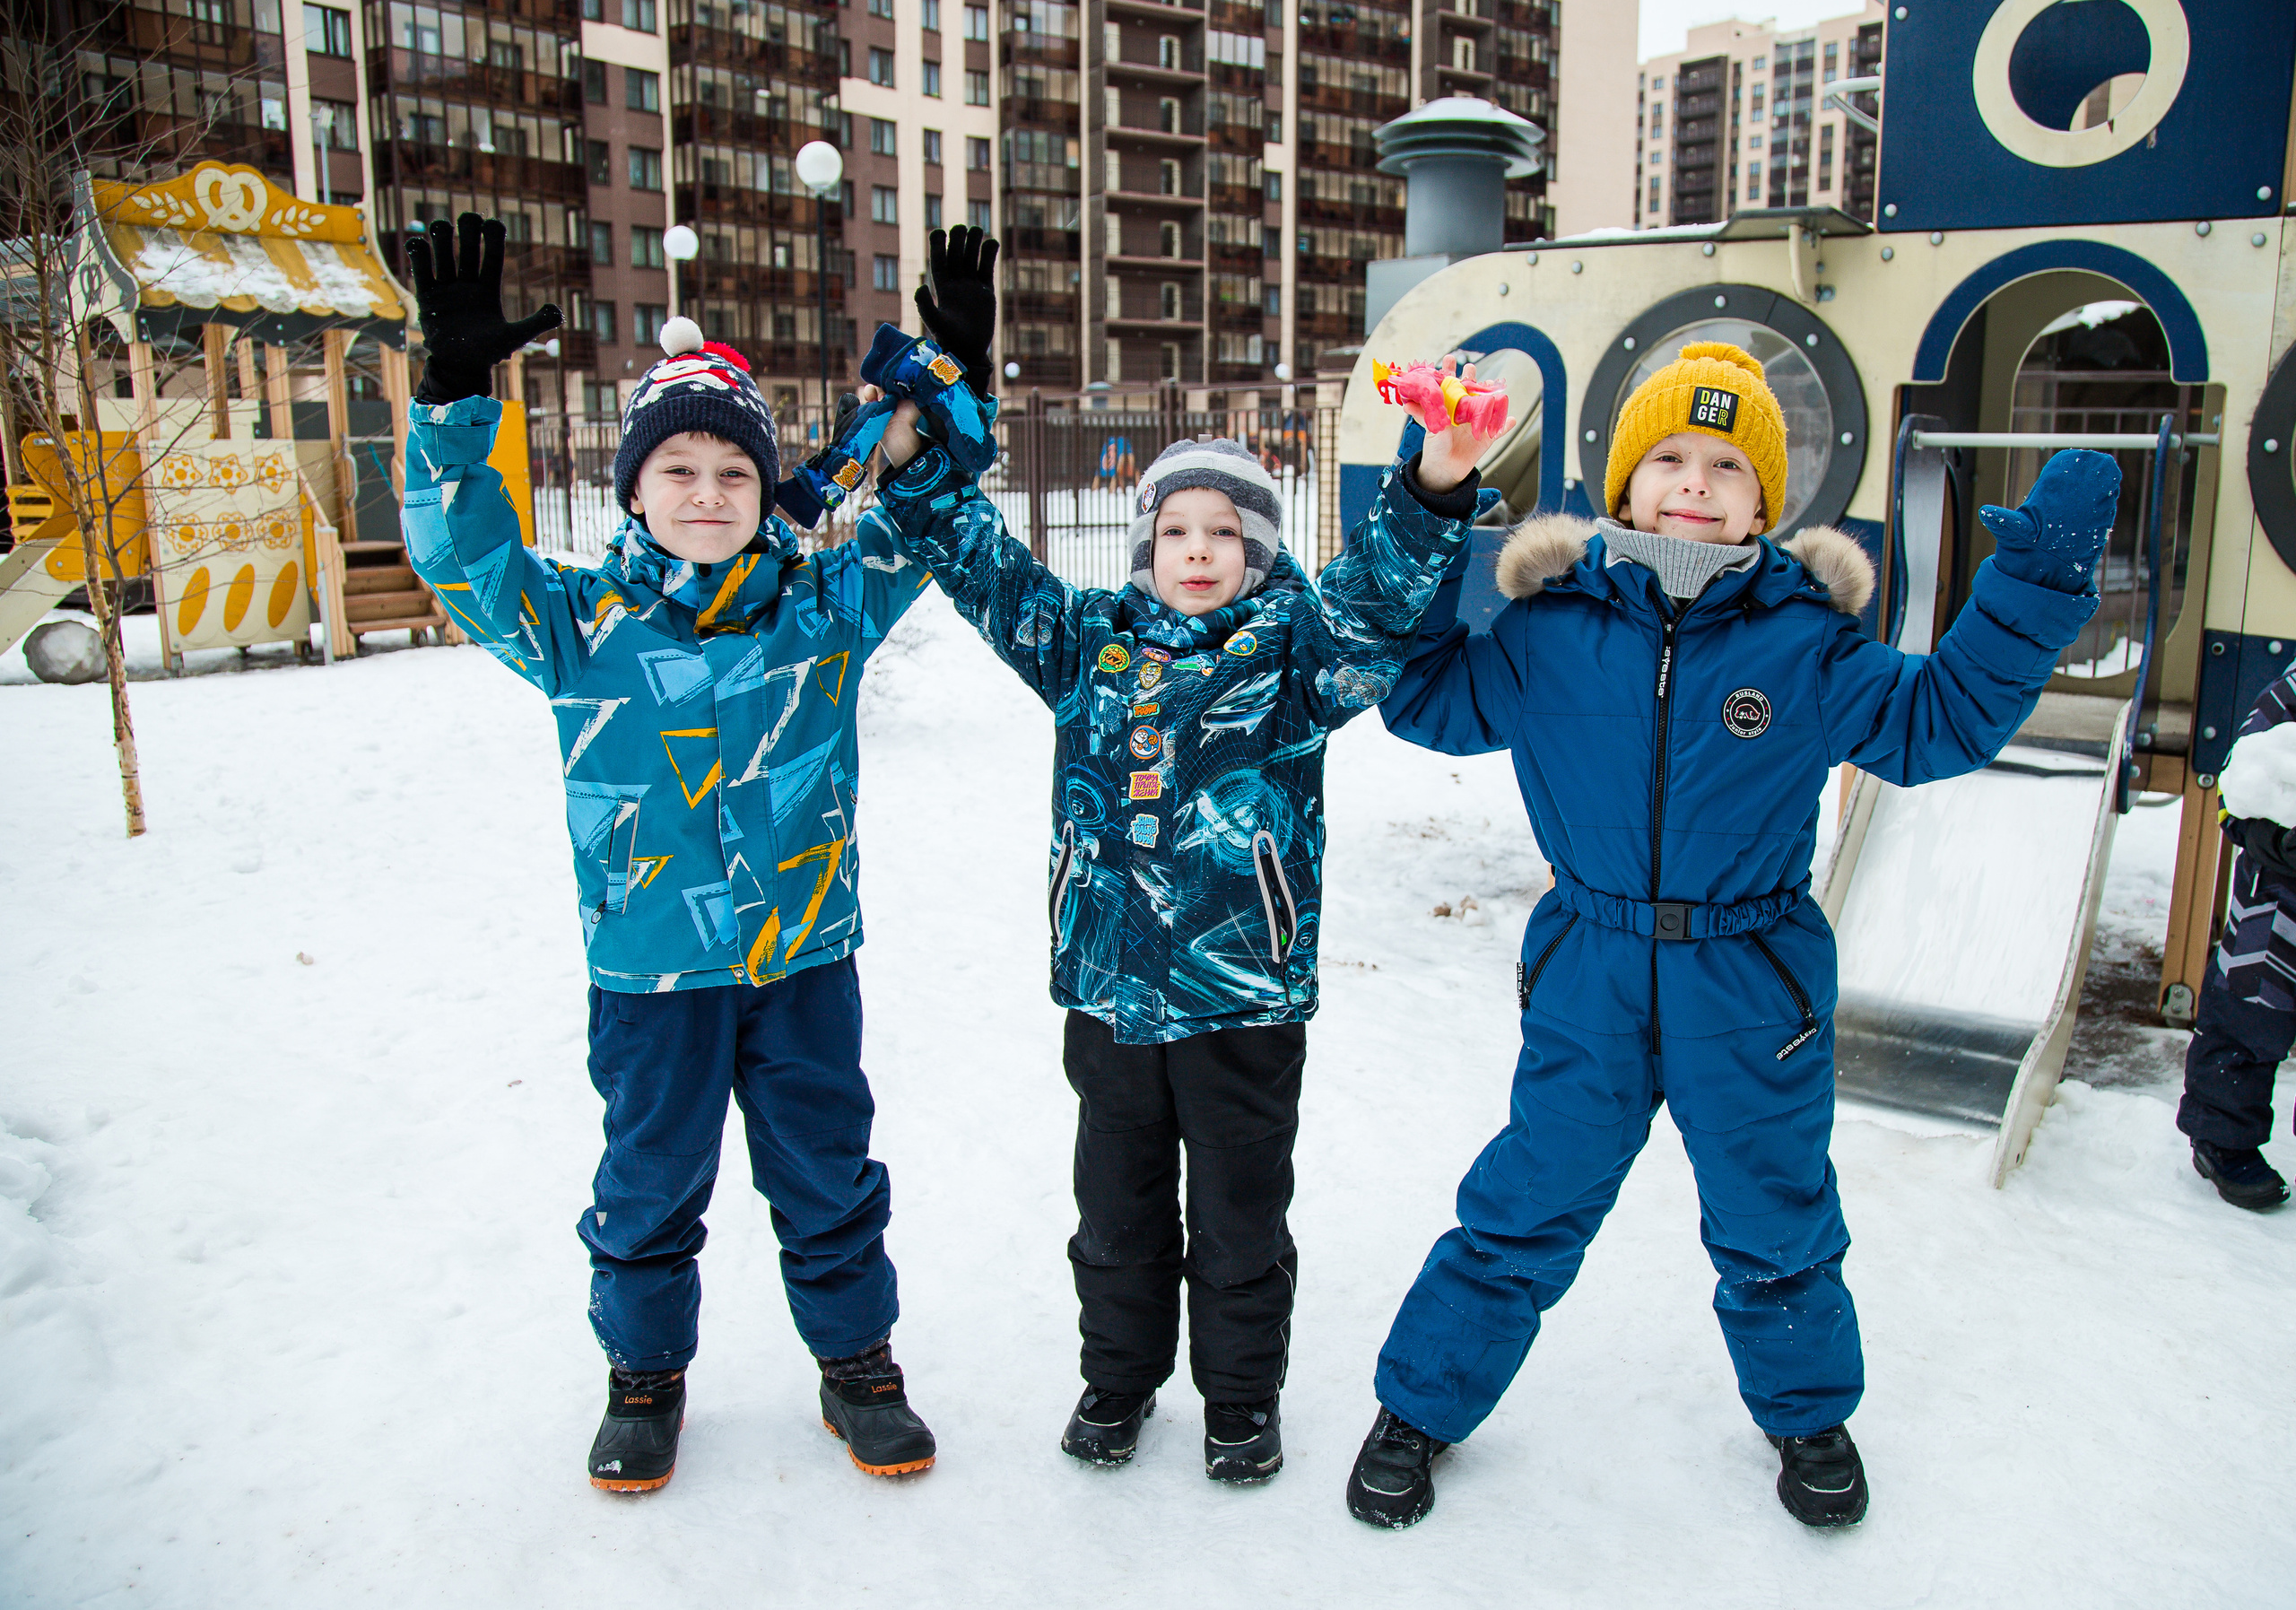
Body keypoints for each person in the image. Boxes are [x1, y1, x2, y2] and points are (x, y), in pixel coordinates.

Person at [1342, 342, 2120, 1531]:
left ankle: (1807, 1412)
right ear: (1622, 485)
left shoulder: (1804, 643)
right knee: (1526, 1200)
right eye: (1667, 457)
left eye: (1726, 465)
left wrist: (2032, 595)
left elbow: (1940, 724)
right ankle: (1421, 1404)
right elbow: (1422, 695)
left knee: (1775, 1211)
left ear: (1768, 501)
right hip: (1590, 970)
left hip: (1753, 985)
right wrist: (1436, 500)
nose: (1694, 483)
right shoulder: (1551, 627)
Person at [863, 230, 1500, 1484]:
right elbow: (982, 567)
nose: (1199, 550)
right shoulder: (1088, 646)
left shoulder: (1296, 664)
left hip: (1242, 1001)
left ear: (1260, 554)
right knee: (1116, 1214)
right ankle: (1117, 1382)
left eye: (1227, 532)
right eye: (1176, 531)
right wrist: (936, 432)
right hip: (1108, 996)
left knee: (1243, 1218)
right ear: (1144, 547)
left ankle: (1241, 1399)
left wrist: (1434, 486)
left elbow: (1373, 603)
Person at [397, 213, 943, 1494]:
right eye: (680, 469)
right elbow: (458, 557)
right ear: (634, 486)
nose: (708, 493)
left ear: (764, 493)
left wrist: (947, 380)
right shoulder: (576, 622)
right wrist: (452, 397)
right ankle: (644, 1375)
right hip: (649, 971)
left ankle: (857, 1361)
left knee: (828, 1169)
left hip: (803, 956)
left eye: (735, 474)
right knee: (649, 1181)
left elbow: (918, 510)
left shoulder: (824, 604)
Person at [2176, 670, 2296, 1210]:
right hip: (2283, 891)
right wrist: (2265, 834)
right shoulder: (2291, 693)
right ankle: (2222, 1140)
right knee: (2252, 1013)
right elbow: (2240, 776)